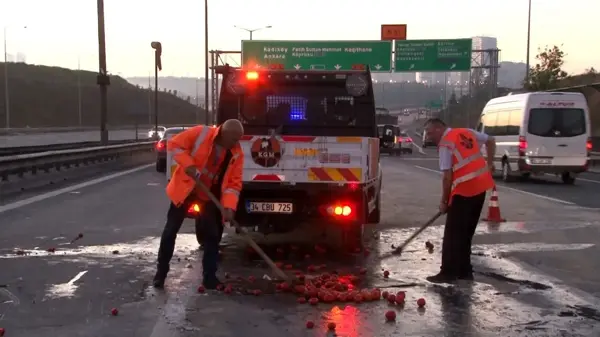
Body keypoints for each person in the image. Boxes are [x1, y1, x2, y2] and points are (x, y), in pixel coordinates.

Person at [153, 120, 245, 289]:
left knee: (212, 236)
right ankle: (161, 273)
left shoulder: (236, 153)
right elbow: (174, 144)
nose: (236, 143)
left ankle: (209, 278)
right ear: (223, 134)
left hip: (207, 196)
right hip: (186, 189)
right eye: (234, 139)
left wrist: (229, 207)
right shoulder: (201, 133)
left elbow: (233, 184)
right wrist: (188, 164)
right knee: (170, 231)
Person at [423, 118, 496, 283]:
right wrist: (490, 164)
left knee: (452, 235)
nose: (427, 136)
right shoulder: (466, 132)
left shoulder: (446, 144)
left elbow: (447, 178)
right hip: (480, 188)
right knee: (466, 234)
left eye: (429, 131)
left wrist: (444, 202)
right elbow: (491, 140)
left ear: (439, 128)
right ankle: (464, 271)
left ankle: (448, 273)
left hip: (465, 191)